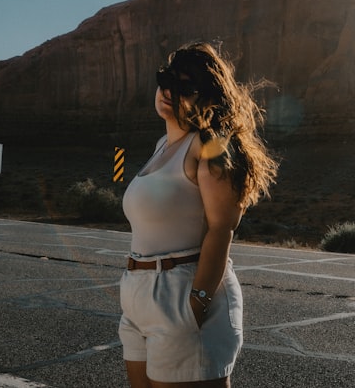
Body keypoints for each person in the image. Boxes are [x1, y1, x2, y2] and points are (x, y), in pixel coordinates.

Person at [119, 42, 278, 387]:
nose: (168, 91)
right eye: (166, 79)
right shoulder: (161, 147)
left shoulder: (211, 148)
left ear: (207, 99)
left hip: (182, 289)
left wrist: (197, 304)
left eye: (185, 87)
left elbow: (222, 229)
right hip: (138, 292)